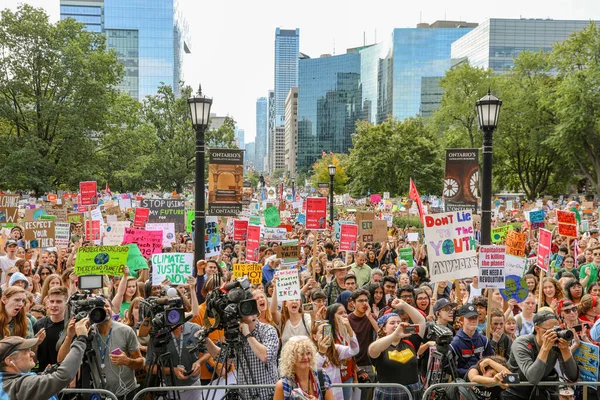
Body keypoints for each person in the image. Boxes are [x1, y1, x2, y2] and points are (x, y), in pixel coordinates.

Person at [58, 296, 144, 400]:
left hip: (126, 393)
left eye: (106, 306)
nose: (104, 309)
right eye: (99, 307)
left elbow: (141, 362)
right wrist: (69, 336)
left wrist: (127, 361)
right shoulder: (86, 332)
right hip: (99, 393)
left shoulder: (126, 331)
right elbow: (61, 360)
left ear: (111, 308)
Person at [0, 319, 89, 400]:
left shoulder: (6, 382)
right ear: (9, 361)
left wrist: (69, 337)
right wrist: (81, 339)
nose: (33, 354)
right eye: (26, 351)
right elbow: (63, 376)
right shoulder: (20, 385)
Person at [204, 306, 280, 399]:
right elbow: (223, 357)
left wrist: (248, 335)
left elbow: (265, 356)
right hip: (244, 395)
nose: (245, 314)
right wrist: (206, 341)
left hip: (268, 394)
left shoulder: (268, 330)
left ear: (256, 314)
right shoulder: (235, 334)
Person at [504, 310, 579, 400]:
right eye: (550, 330)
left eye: (557, 329)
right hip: (516, 393)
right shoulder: (521, 343)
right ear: (537, 329)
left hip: (540, 394)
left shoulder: (556, 343)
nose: (554, 334)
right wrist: (545, 349)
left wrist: (565, 350)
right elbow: (533, 378)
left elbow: (572, 377)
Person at [367, 299, 426, 400]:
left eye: (399, 322)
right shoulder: (381, 345)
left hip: (413, 391)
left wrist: (404, 305)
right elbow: (372, 350)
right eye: (392, 323)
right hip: (389, 393)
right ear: (384, 328)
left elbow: (421, 321)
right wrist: (394, 335)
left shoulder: (410, 341)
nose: (397, 325)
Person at [274, 336, 334, 400]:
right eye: (301, 354)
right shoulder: (283, 385)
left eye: (308, 353)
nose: (305, 357)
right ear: (291, 357)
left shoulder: (321, 375)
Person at [449, 303, 494, 377]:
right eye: (470, 318)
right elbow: (449, 368)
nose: (473, 320)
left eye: (475, 317)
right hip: (463, 382)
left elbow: (492, 361)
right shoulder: (454, 343)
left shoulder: (484, 341)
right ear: (461, 320)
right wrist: (470, 373)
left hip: (484, 380)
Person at [33, 286, 68, 372]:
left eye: (59, 302)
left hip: (64, 374)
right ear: (47, 303)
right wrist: (35, 344)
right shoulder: (39, 324)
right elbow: (33, 358)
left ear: (66, 303)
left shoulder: (70, 325)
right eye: (52, 301)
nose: (54, 305)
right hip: (42, 374)